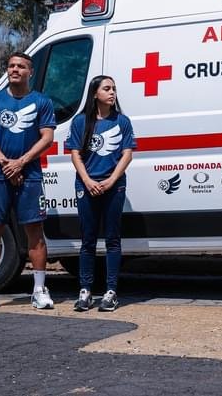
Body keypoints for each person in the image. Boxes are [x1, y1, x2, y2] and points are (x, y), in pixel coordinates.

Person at [0, 52, 56, 312]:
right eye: (11, 66)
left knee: (35, 234)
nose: (14, 70)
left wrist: (21, 162)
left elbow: (47, 137)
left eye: (20, 66)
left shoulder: (42, 101)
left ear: (30, 71)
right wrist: (7, 163)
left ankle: (39, 291)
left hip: (29, 175)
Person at [66, 76, 136, 313]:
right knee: (88, 240)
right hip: (86, 186)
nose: (112, 92)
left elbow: (127, 153)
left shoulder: (122, 121)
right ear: (95, 93)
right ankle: (85, 291)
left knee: (113, 239)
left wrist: (111, 180)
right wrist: (87, 180)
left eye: (114, 89)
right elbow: (75, 154)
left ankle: (111, 292)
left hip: (113, 187)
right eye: (107, 88)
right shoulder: (79, 122)